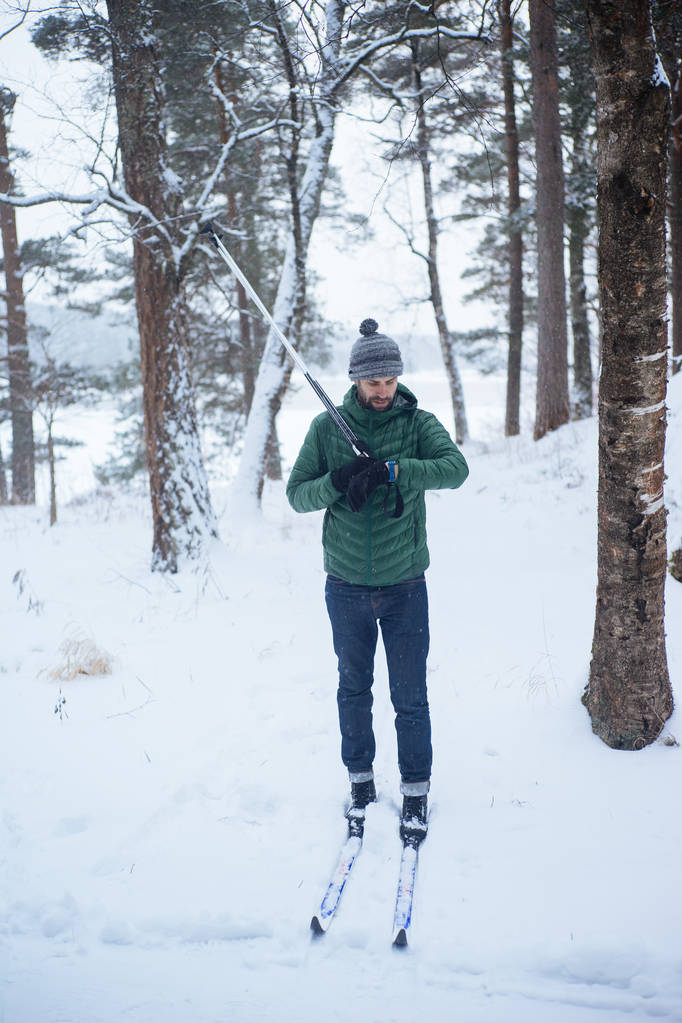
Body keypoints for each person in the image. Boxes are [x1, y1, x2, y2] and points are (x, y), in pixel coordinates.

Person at [286, 318, 469, 847]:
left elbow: (454, 470)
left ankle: (416, 789)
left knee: (410, 695)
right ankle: (360, 783)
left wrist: (394, 471)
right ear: (355, 380)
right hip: (344, 585)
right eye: (373, 383)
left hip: (405, 584)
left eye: (390, 381)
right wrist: (338, 480)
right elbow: (298, 496)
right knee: (353, 689)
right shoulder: (327, 429)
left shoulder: (418, 423)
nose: (383, 391)